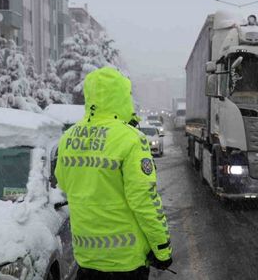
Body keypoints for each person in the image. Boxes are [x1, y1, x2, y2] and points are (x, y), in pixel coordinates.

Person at [55, 67, 172, 280]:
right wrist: (162, 249)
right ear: (120, 96)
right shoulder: (130, 139)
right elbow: (145, 200)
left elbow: (64, 185)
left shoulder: (68, 139)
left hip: (86, 258)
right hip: (125, 262)